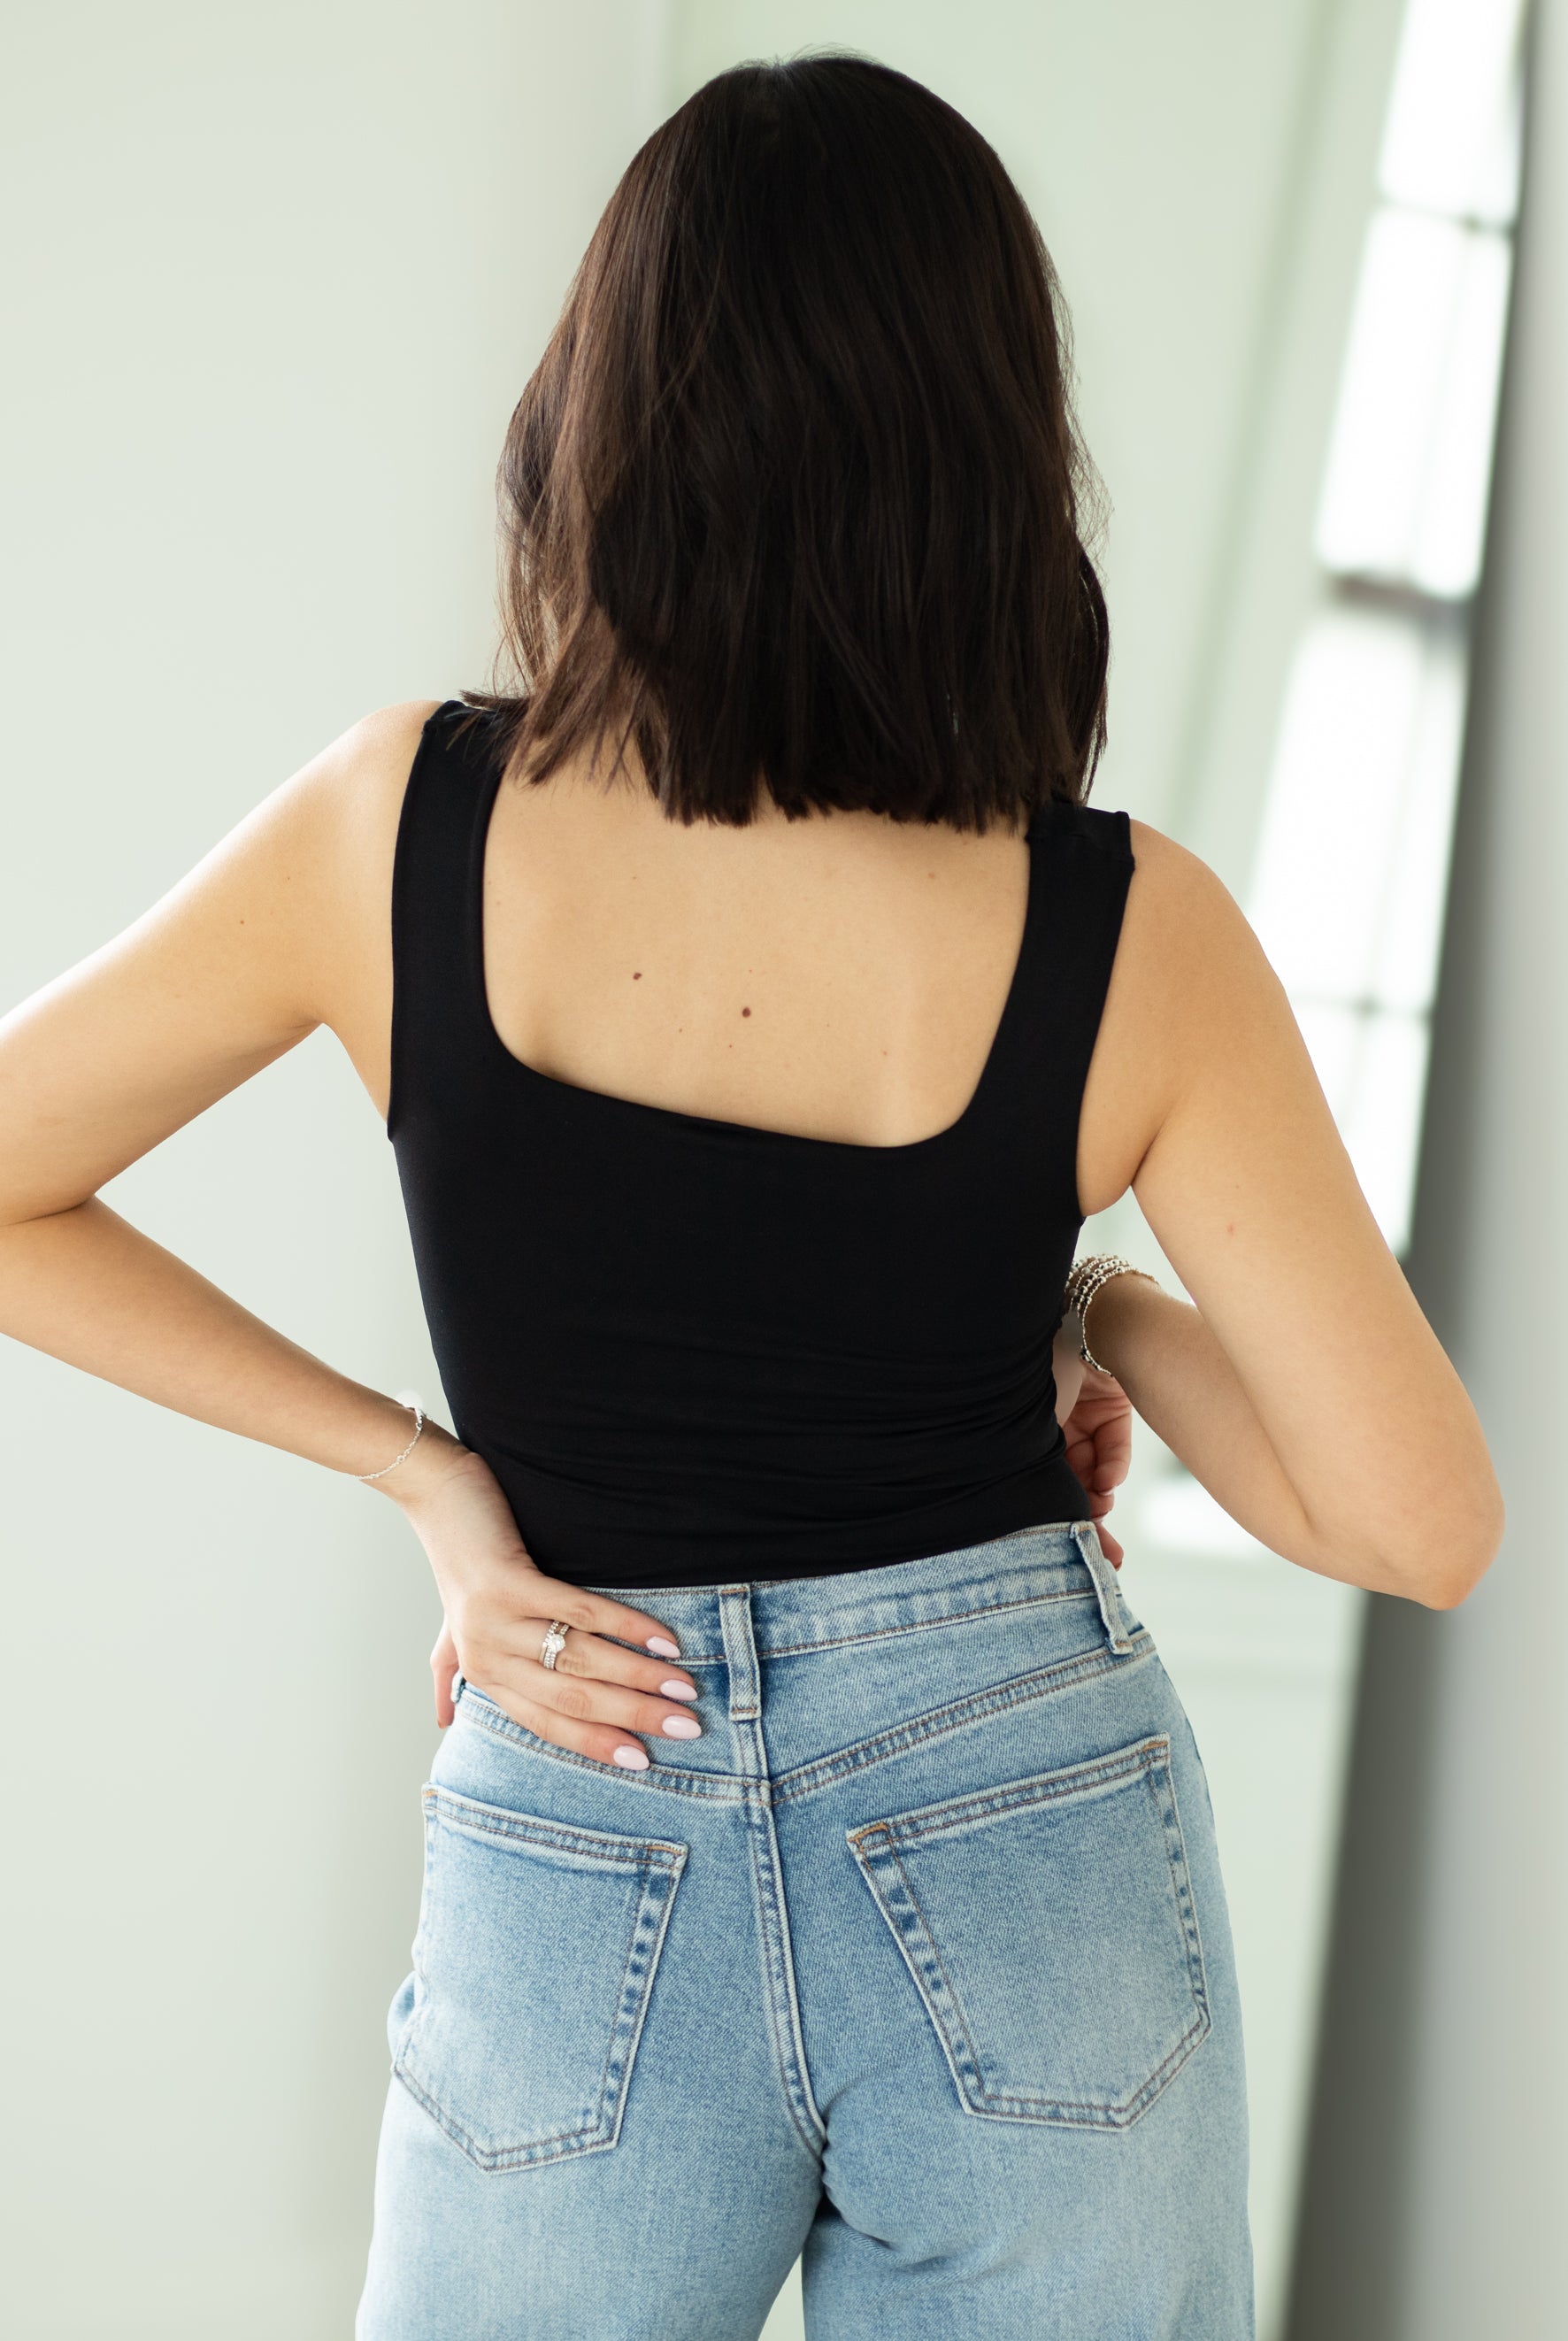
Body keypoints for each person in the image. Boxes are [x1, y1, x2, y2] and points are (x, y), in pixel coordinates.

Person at [0, 52, 1501, 2341]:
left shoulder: (390, 826)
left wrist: (432, 1482)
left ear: (599, 410)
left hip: (579, 1759)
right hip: (1028, 1807)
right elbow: (1419, 1522)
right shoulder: (1127, 929)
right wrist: (1088, 1313)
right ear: (992, 456)